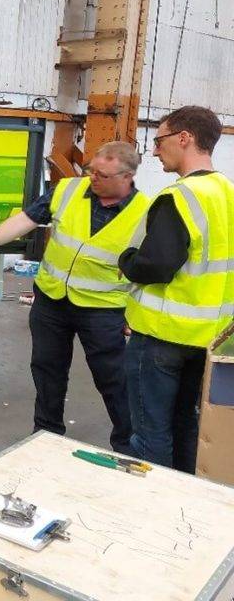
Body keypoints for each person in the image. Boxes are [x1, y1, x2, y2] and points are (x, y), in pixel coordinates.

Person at [0, 142, 149, 452]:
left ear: (127, 177)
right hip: (51, 301)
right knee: (47, 368)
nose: (92, 177)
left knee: (113, 379)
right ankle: (46, 432)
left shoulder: (146, 213)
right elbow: (25, 220)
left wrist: (135, 316)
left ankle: (128, 444)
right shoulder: (68, 190)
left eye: (101, 174)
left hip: (102, 309)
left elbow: (147, 270)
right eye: (91, 170)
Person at [119, 106, 234, 473]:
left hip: (161, 336)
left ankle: (150, 512)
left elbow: (155, 266)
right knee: (187, 428)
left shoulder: (180, 197)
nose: (154, 151)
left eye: (159, 140)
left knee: (150, 435)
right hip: (209, 340)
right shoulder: (228, 193)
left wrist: (126, 260)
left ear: (184, 138)